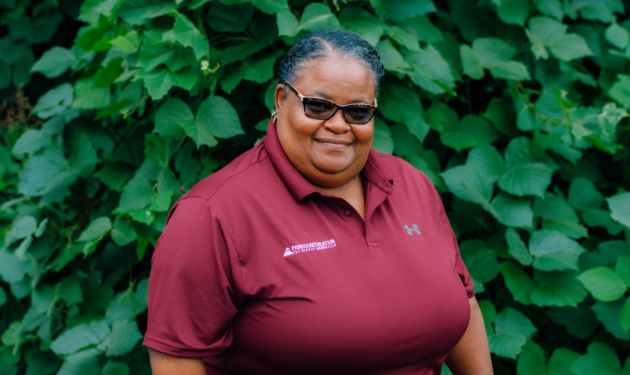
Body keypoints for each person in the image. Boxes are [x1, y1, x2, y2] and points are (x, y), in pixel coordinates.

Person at [144, 30, 493, 375]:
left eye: (357, 111)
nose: (338, 124)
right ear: (281, 100)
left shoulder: (411, 185)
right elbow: (177, 357)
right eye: (319, 106)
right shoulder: (213, 213)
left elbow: (464, 302)